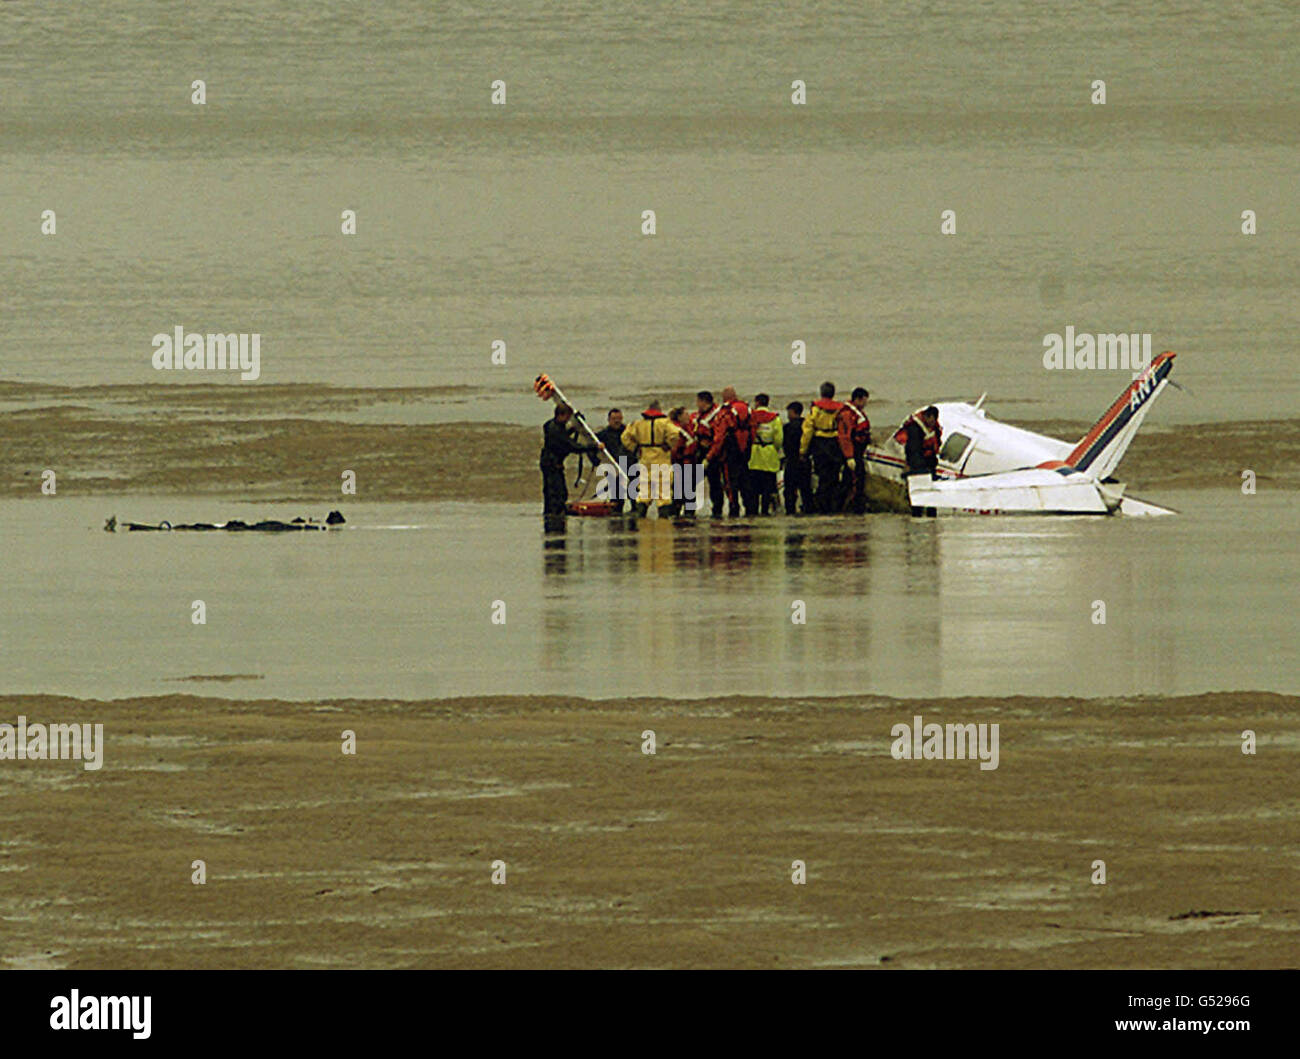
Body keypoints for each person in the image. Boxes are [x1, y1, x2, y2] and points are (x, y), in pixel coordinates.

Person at [620, 400, 683, 517]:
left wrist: (634, 448)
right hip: (661, 459)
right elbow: (675, 433)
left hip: (645, 459)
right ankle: (663, 522)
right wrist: (669, 445)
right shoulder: (665, 423)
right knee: (663, 494)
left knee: (644, 492)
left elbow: (625, 437)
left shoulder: (638, 424)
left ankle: (641, 519)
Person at [799, 381, 854, 513]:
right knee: (834, 475)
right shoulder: (839, 409)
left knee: (822, 476)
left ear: (821, 392)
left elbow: (807, 431)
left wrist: (803, 451)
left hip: (820, 443)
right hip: (835, 443)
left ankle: (823, 506)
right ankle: (833, 505)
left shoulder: (816, 409)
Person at [540, 403, 597, 522]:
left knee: (559, 491)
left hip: (552, 464)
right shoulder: (554, 430)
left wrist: (574, 427)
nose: (568, 420)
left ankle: (556, 512)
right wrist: (594, 447)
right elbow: (572, 446)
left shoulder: (553, 425)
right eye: (567, 417)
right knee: (556, 493)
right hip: (551, 464)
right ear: (561, 415)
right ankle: (555, 516)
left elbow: (564, 436)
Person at [706, 386, 751, 517]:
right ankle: (750, 509)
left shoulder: (725, 412)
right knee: (745, 481)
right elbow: (753, 430)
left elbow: (719, 437)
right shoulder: (747, 410)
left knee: (730, 483)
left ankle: (734, 508)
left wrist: (710, 456)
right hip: (745, 451)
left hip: (729, 453)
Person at [691, 390, 726, 517]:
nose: (696, 404)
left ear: (703, 402)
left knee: (715, 483)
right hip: (700, 452)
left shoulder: (717, 416)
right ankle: (689, 509)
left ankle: (717, 510)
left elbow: (718, 439)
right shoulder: (698, 416)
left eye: (698, 401)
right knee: (692, 481)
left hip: (712, 454)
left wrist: (709, 457)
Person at [746, 394, 781, 515]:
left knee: (754, 489)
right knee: (768, 488)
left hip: (754, 455)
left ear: (757, 403)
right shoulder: (775, 419)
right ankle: (765, 510)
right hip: (769, 454)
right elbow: (779, 439)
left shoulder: (751, 417)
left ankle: (753, 510)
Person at [842, 387, 872, 513]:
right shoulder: (847, 415)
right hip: (853, 453)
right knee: (853, 481)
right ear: (858, 399)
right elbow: (845, 437)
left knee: (859, 480)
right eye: (865, 401)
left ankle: (857, 506)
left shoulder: (857, 413)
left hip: (859, 451)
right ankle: (853, 508)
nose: (866, 404)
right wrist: (849, 457)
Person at [782, 401, 813, 514]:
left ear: (792, 412)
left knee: (790, 490)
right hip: (805, 460)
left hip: (792, 461)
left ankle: (790, 511)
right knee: (806, 489)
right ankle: (808, 509)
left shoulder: (787, 428)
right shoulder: (807, 425)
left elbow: (784, 444)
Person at [896, 405, 943, 477]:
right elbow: (912, 450)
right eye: (931, 421)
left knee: (932, 461)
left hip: (929, 459)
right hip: (917, 459)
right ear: (926, 417)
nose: (932, 424)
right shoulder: (914, 429)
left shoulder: (934, 428)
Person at [596, 408, 628, 512]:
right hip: (612, 466)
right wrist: (595, 460)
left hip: (628, 465)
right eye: (614, 419)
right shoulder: (603, 434)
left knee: (634, 493)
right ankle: (616, 513)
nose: (617, 421)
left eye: (619, 418)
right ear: (609, 420)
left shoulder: (628, 432)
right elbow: (591, 446)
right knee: (616, 495)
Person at [668, 406, 696, 516]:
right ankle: (682, 516)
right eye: (686, 414)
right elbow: (676, 448)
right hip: (682, 464)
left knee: (685, 493)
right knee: (682, 493)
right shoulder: (678, 430)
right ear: (679, 417)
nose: (688, 417)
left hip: (686, 463)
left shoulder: (686, 428)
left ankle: (682, 515)